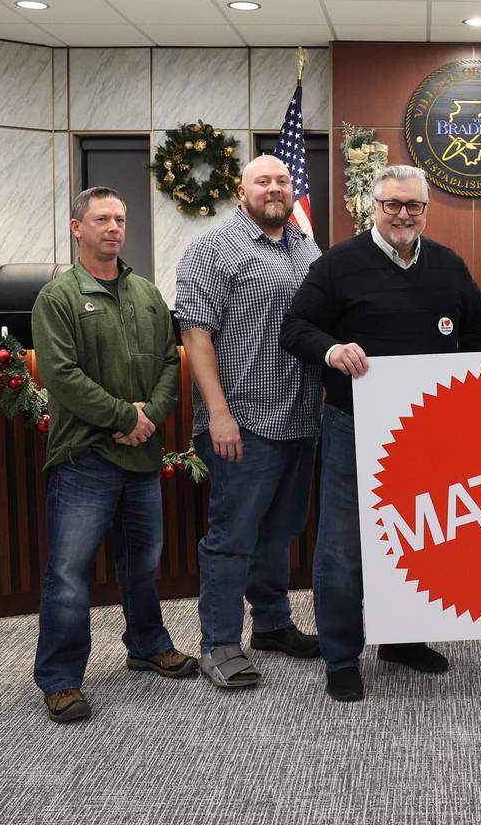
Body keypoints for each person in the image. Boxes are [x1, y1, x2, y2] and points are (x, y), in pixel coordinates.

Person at [280, 165, 481, 703]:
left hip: (430, 431)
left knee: (420, 538)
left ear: (426, 210)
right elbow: (296, 327)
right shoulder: (339, 263)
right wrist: (332, 350)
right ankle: (342, 656)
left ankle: (403, 638)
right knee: (343, 546)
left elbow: (478, 327)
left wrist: (460, 381)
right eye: (392, 204)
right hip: (354, 423)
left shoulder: (447, 264)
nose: (403, 215)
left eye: (413, 206)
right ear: (373, 206)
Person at [31, 186, 196, 723]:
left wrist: (151, 416)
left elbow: (171, 363)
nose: (113, 228)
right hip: (86, 459)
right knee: (70, 575)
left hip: (141, 460)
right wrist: (128, 418)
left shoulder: (147, 293)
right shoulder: (58, 297)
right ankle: (60, 680)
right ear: (77, 227)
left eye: (120, 220)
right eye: (101, 219)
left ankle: (147, 644)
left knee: (142, 564)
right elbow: (61, 375)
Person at [175, 154, 323, 689]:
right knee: (232, 535)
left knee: (281, 529)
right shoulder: (213, 250)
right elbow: (195, 334)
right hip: (242, 418)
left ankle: (273, 624)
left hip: (300, 416)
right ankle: (218, 644)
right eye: (263, 181)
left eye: (283, 181)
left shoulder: (307, 247)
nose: (275, 189)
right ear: (242, 191)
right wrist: (217, 413)